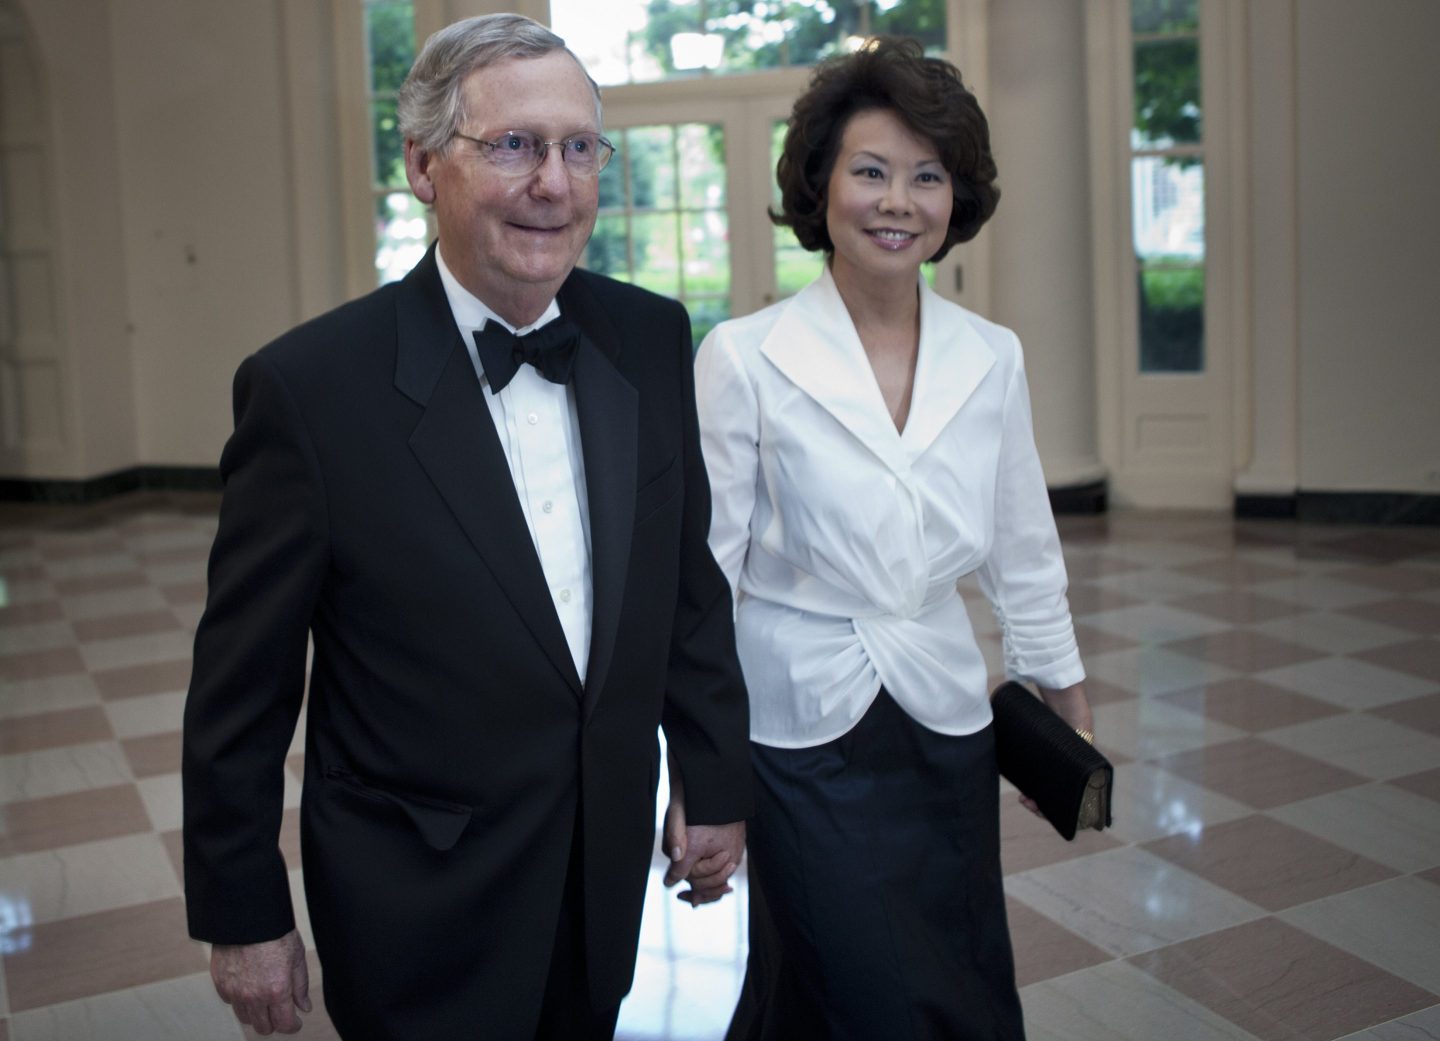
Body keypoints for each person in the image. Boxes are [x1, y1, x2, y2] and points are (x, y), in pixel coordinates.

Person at [181, 14, 751, 1041]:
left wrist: (711, 779)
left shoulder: (648, 335)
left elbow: (688, 587)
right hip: (418, 896)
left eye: (580, 147)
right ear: (421, 166)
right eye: (514, 146)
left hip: (603, 868)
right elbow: (241, 689)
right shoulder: (309, 390)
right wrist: (244, 914)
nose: (555, 183)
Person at [690, 38, 1094, 1041]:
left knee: (957, 968)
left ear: (956, 198)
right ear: (820, 186)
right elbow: (704, 579)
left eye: (927, 176)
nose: (897, 201)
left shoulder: (990, 357)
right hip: (796, 726)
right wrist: (700, 779)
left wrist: (1068, 718)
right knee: (851, 981)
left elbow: (1021, 545)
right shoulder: (743, 358)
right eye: (870, 171)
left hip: (944, 717)